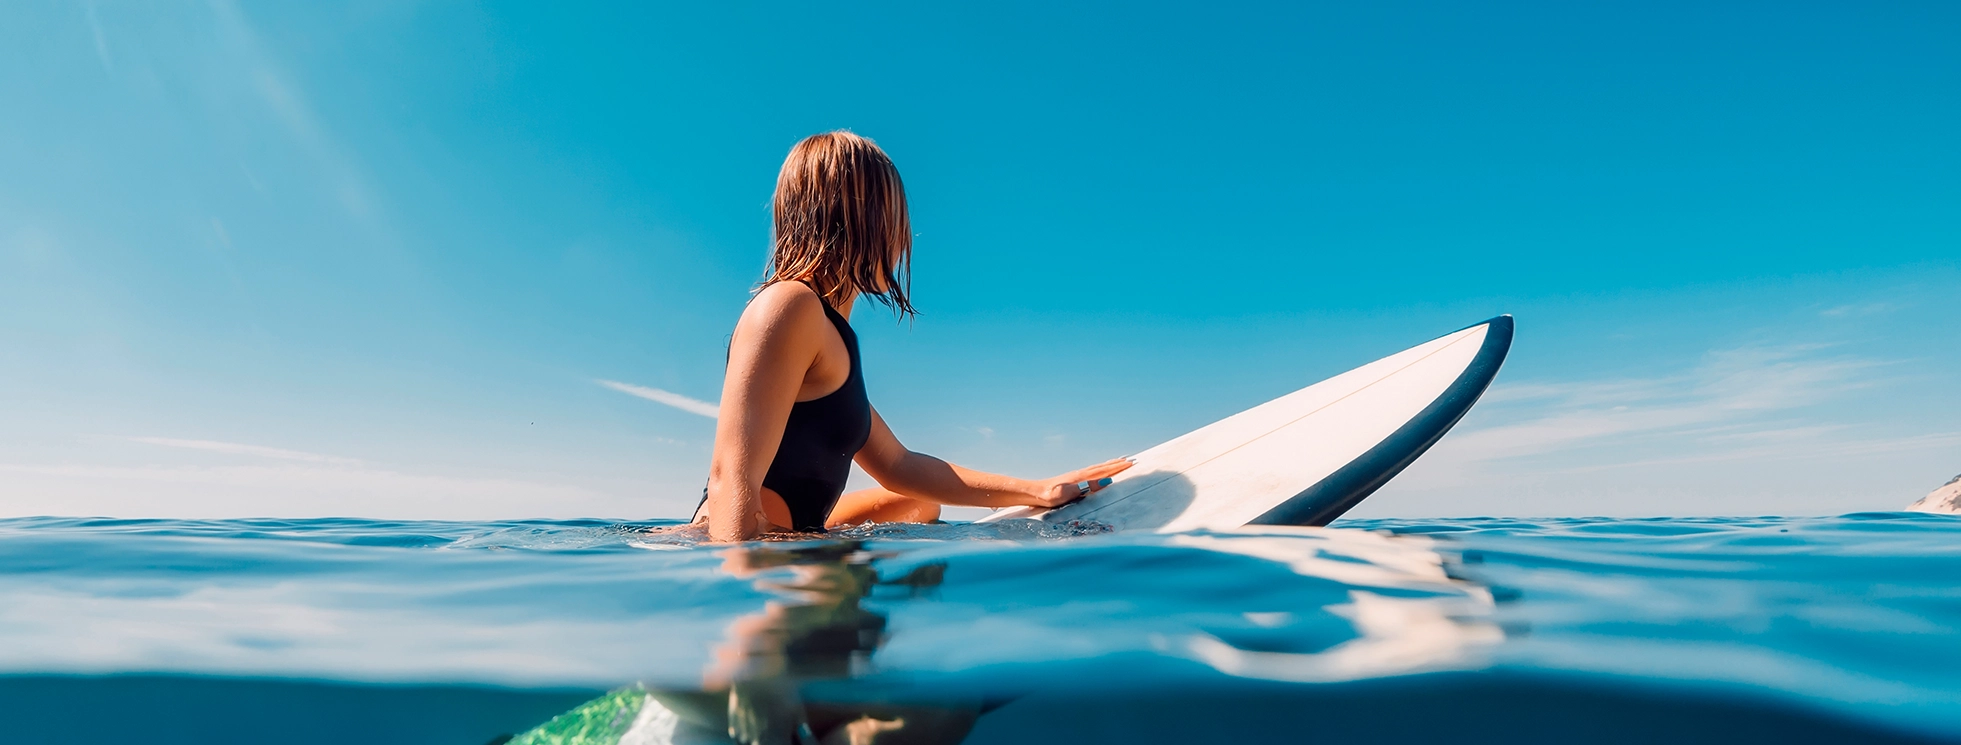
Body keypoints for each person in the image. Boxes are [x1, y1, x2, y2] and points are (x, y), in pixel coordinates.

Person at [693, 131, 1132, 542]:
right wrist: (742, 595)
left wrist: (1039, 490)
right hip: (749, 550)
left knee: (918, 504)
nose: (903, 239)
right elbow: (730, 475)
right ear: (855, 217)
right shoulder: (791, 305)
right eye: (893, 217)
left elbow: (900, 465)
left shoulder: (829, 335)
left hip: (795, 539)